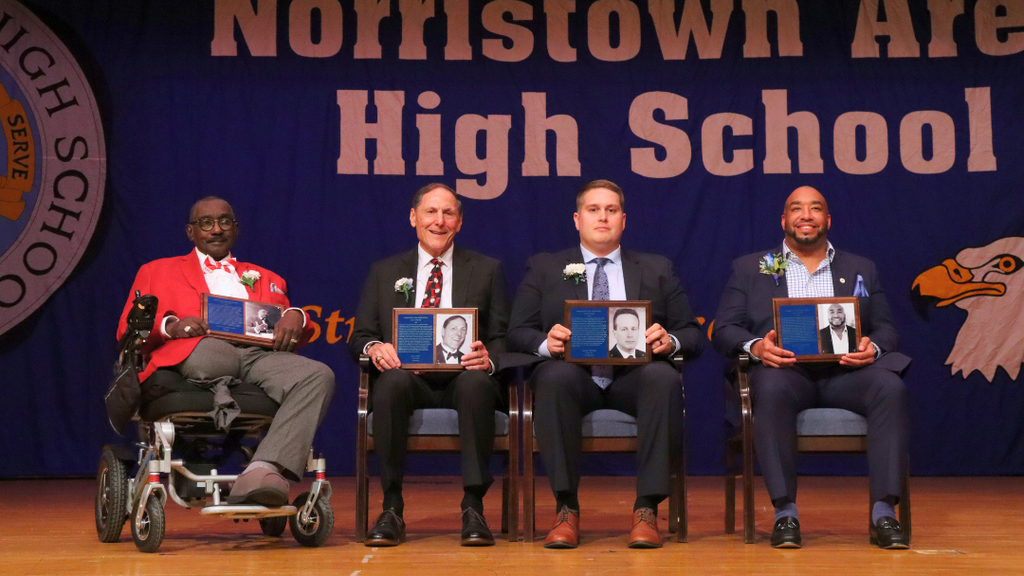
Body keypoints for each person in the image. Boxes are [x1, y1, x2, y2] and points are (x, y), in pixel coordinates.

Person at [711, 185, 911, 549]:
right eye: (797, 209)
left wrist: (874, 346)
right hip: (785, 373)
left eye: (815, 208)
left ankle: (884, 512)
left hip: (847, 373)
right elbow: (724, 328)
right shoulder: (750, 268)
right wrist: (756, 346)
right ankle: (785, 513)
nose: (806, 215)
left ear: (827, 220)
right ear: (784, 219)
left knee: (890, 386)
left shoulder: (861, 268)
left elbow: (886, 329)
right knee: (768, 388)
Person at [507, 179, 704, 549]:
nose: (602, 217)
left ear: (624, 220)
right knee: (553, 376)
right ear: (577, 219)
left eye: (611, 210)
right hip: (575, 380)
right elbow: (517, 332)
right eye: (594, 210)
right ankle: (566, 508)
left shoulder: (656, 268)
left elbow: (692, 334)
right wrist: (544, 344)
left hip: (633, 380)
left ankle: (646, 509)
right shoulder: (545, 267)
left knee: (662, 377)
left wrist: (670, 341)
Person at [117, 197, 335, 507]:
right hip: (197, 351)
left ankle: (263, 470)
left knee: (318, 375)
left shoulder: (266, 277)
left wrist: (296, 315)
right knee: (213, 356)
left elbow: (283, 321)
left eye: (224, 222)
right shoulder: (156, 271)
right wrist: (171, 326)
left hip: (258, 356)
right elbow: (128, 327)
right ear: (191, 232)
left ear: (236, 229)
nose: (216, 229)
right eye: (206, 223)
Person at [350, 183, 511, 547]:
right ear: (413, 218)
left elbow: (505, 337)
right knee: (389, 383)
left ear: (460, 221)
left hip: (463, 378)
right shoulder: (384, 271)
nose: (439, 221)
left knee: (476, 384)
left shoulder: (487, 270)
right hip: (410, 380)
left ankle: (473, 507)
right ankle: (391, 507)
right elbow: (360, 335)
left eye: (448, 213)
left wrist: (489, 358)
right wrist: (376, 348)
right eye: (430, 212)